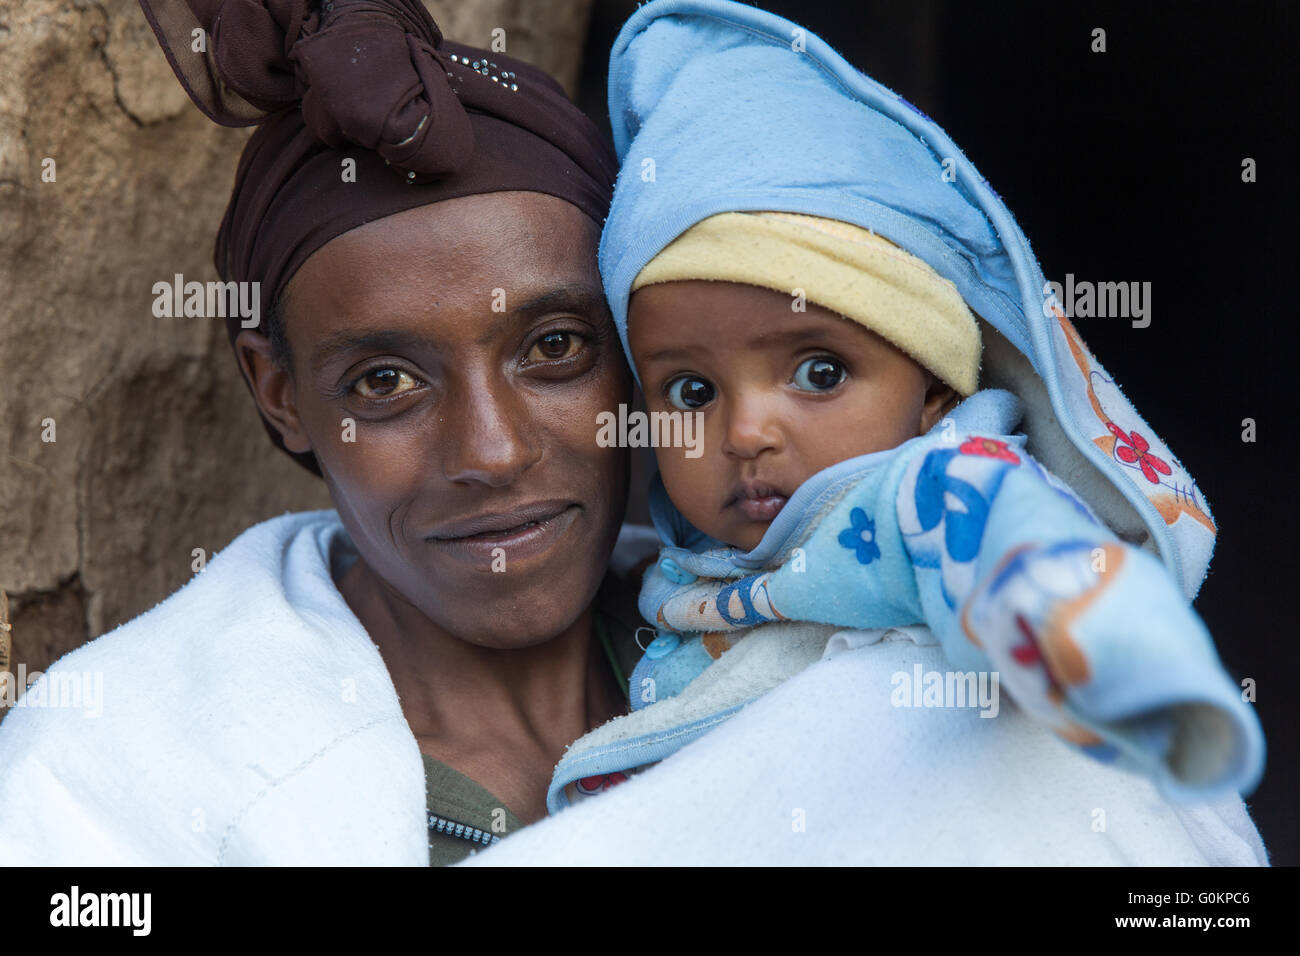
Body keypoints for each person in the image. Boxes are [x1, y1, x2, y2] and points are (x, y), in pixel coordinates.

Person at [457, 0, 1269, 865]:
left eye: (820, 372)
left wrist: (1103, 660)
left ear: (934, 393)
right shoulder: (674, 571)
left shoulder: (932, 490)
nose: (746, 431)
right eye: (691, 389)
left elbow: (1017, 557)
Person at [0, 0, 659, 865]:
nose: (493, 454)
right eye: (385, 382)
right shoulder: (105, 788)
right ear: (279, 396)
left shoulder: (786, 646)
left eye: (555, 348)